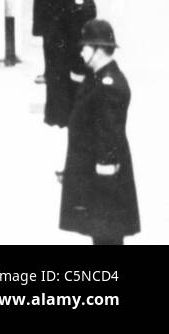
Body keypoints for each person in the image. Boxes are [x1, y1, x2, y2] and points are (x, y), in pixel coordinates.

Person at [59, 20, 139, 246]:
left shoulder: (109, 84)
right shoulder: (97, 77)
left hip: (105, 178)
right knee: (101, 234)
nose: (81, 51)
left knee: (108, 234)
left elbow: (109, 135)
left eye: (85, 46)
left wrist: (104, 180)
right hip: (93, 171)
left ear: (98, 49)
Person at [43, 0, 96, 131]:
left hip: (68, 77)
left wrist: (77, 73)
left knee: (69, 123)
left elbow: (79, 43)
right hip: (58, 73)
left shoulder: (80, 4)